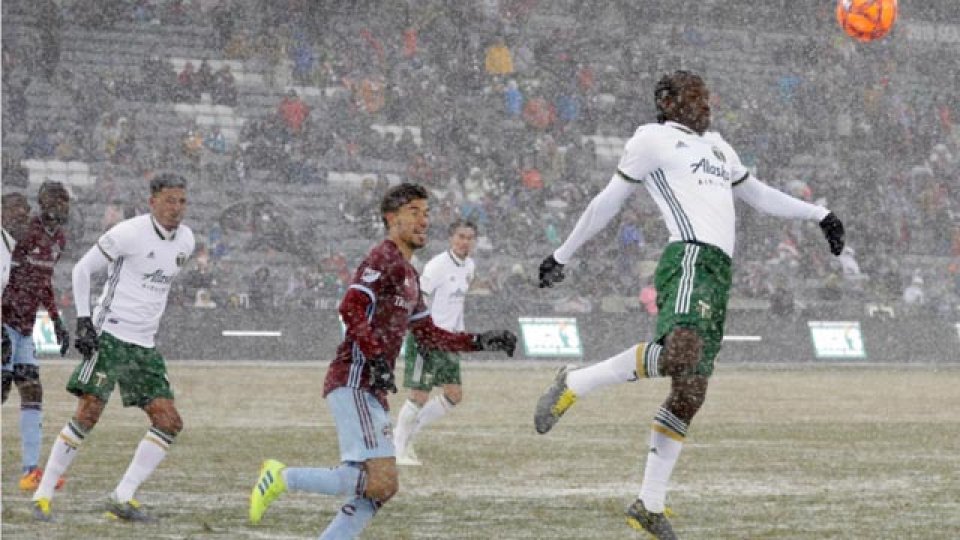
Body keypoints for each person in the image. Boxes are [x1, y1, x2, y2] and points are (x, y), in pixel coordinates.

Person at [532, 71, 845, 539]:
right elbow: (607, 201)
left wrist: (819, 214)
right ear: (667, 101)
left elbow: (757, 195)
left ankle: (648, 505)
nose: (706, 105)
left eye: (707, 97)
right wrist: (562, 254)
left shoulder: (718, 146)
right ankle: (575, 382)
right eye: (695, 97)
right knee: (680, 355)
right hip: (690, 258)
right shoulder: (652, 140)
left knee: (690, 391)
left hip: (720, 272)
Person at [249, 183, 517, 539]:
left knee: (382, 487)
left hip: (371, 386)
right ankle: (281, 477)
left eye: (426, 213)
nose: (424, 221)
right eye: (414, 212)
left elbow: (429, 335)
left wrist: (480, 341)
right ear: (392, 219)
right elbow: (350, 306)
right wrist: (375, 357)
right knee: (379, 480)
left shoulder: (409, 275)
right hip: (354, 378)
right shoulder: (383, 258)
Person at [31, 173, 195, 523]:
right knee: (88, 413)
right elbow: (82, 269)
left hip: (144, 346)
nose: (176, 208)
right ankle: (42, 495)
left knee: (169, 422)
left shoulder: (187, 241)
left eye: (182, 201)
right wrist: (84, 320)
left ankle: (122, 497)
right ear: (152, 202)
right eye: (169, 200)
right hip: (110, 337)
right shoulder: (129, 233)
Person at [2, 182, 72, 492]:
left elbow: (43, 283)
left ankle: (31, 471)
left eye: (66, 202)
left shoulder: (59, 239)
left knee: (32, 391)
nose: (64, 207)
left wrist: (56, 320)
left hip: (25, 327)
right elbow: (8, 279)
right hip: (6, 322)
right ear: (44, 203)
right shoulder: (24, 234)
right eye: (58, 201)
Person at [394, 219, 479, 466]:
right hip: (428, 339)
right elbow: (416, 298)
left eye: (469, 238)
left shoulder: (470, 266)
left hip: (449, 341)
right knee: (419, 395)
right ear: (451, 239)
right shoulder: (437, 266)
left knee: (454, 395)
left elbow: (457, 304)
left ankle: (409, 434)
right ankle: (397, 449)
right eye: (461, 237)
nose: (465, 242)